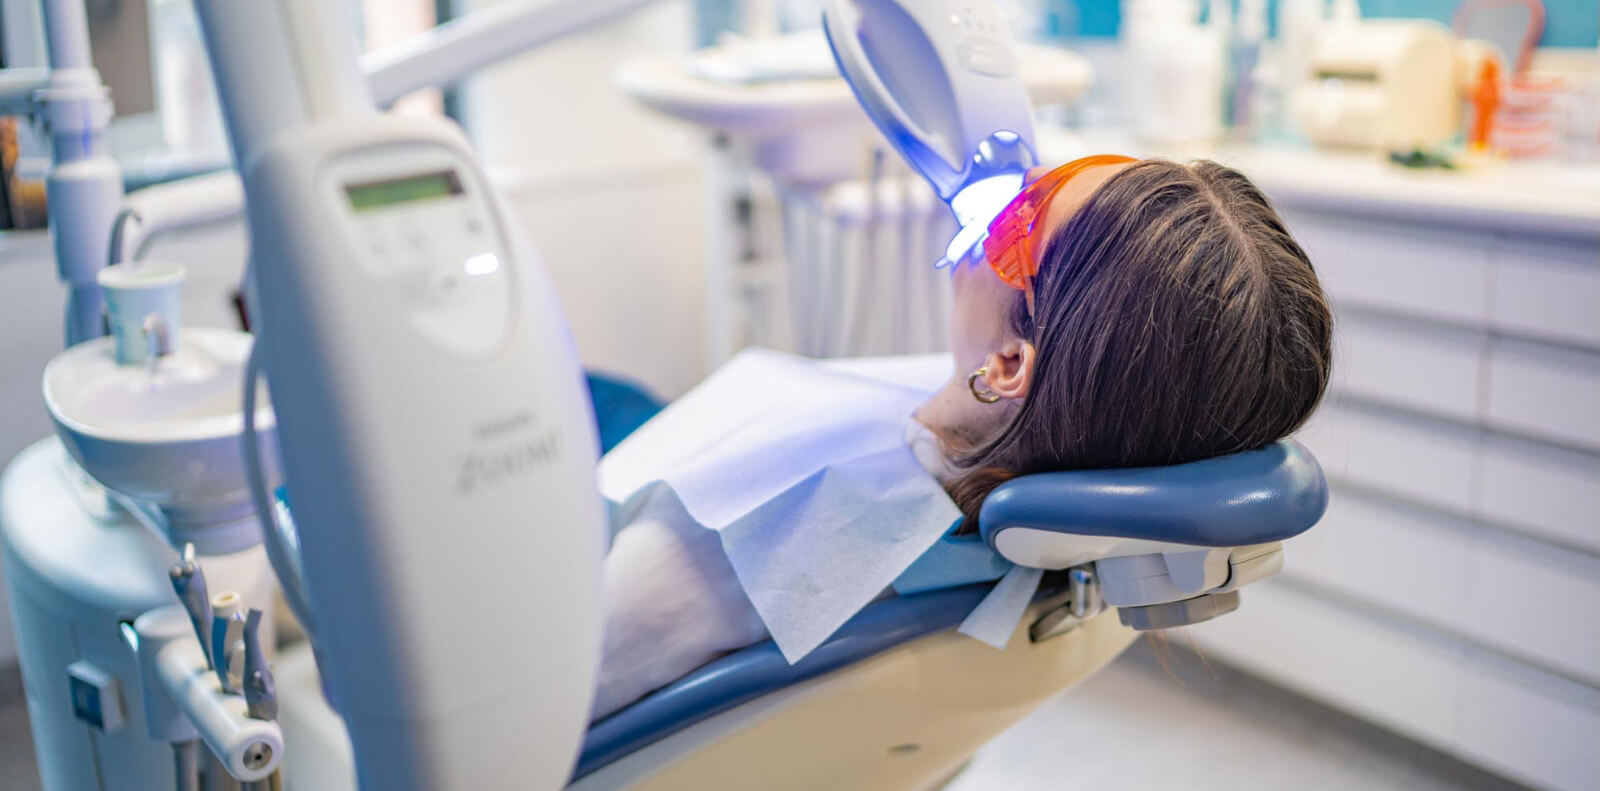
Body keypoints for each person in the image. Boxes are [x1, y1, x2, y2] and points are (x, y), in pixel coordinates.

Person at [591, 157, 1333, 721]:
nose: (998, 205)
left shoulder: (734, 544)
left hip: (605, 543)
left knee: (595, 391)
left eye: (1021, 218)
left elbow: (553, 695)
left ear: (1009, 364)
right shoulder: (1059, 463)